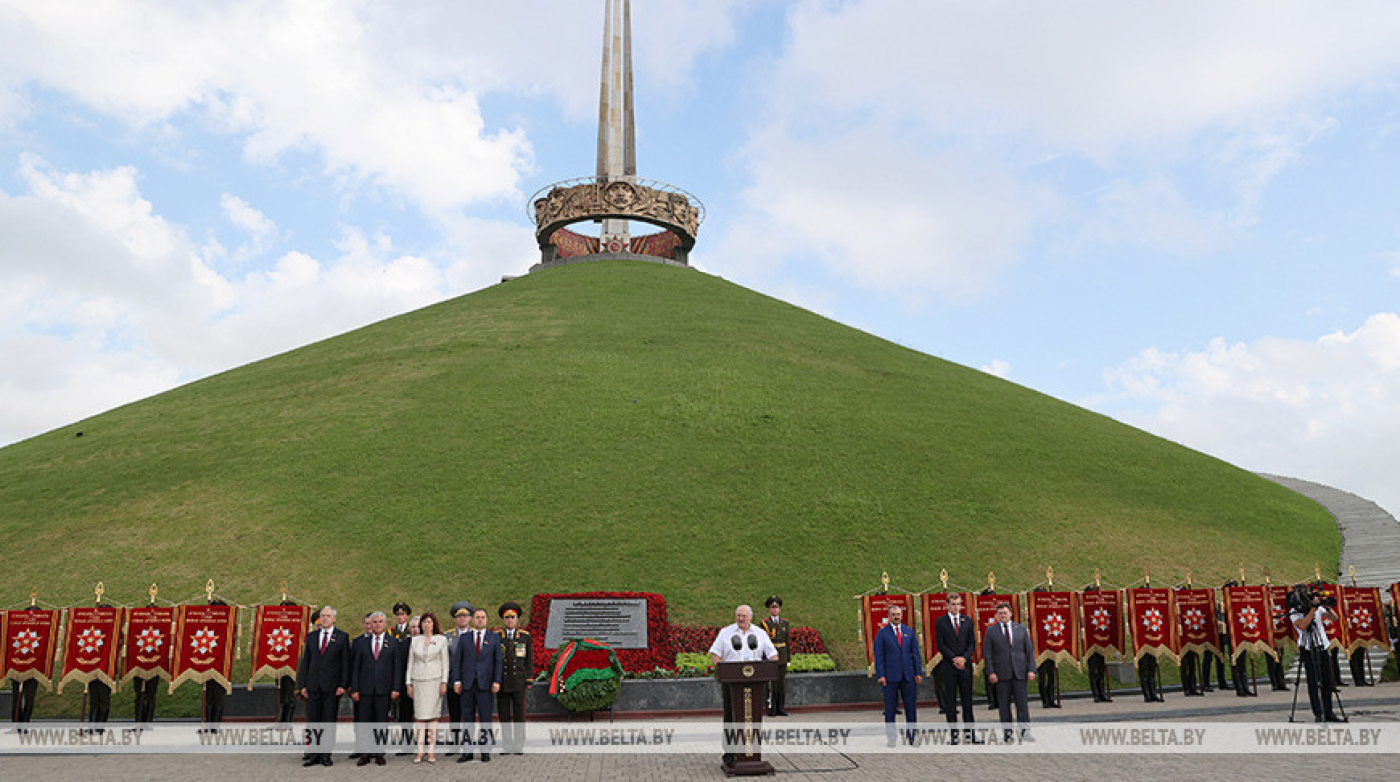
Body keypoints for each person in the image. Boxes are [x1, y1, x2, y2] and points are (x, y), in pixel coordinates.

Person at [708, 604, 778, 770]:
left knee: (752, 717)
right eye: (738, 615)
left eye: (744, 616)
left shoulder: (759, 634)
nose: (740, 619)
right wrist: (721, 668)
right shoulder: (726, 632)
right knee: (731, 717)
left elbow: (773, 654)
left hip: (755, 683)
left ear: (751, 617)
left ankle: (751, 754)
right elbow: (715, 655)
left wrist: (770, 667)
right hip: (732, 683)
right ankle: (730, 755)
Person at [298, 606, 350, 767]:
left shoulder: (342, 637)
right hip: (313, 685)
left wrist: (343, 685)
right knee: (313, 721)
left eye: (328, 616)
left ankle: (326, 754)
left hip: (332, 687)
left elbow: (345, 664)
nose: (325, 618)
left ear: (334, 619)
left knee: (328, 721)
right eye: (323, 616)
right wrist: (303, 684)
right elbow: (306, 662)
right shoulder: (312, 637)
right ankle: (314, 754)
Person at [348, 611, 403, 765]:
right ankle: (365, 753)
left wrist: (396, 688)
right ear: (370, 625)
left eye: (380, 622)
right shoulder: (361, 643)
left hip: (384, 690)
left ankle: (379, 752)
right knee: (364, 722)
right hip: (364, 690)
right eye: (375, 622)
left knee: (381, 721)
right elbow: (356, 668)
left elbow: (397, 668)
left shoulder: (393, 642)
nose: (378, 624)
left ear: (384, 624)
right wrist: (355, 689)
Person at [452, 607, 502, 763]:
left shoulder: (493, 638)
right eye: (477, 617)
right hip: (467, 684)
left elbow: (498, 661)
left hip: (486, 685)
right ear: (473, 620)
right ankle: (467, 752)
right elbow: (457, 661)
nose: (480, 620)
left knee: (486, 718)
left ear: (487, 620)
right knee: (467, 718)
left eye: (483, 617)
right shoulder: (465, 638)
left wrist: (496, 681)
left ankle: (485, 751)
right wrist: (457, 680)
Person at [1289, 585, 1343, 722]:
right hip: (1307, 648)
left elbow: (1335, 618)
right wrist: (1312, 609)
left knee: (1328, 681)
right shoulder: (1295, 611)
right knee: (1313, 682)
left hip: (1322, 646)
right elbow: (1303, 625)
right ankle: (1318, 713)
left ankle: (1329, 712)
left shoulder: (1318, 607)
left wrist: (1326, 605)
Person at [982, 602, 1035, 741]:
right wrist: (991, 672)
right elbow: (987, 654)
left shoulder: (1021, 629)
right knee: (1004, 705)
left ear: (1010, 613)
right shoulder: (991, 631)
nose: (1003, 615)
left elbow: (1029, 651)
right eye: (1000, 613)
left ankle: (1025, 731)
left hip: (1019, 672)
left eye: (1005, 613)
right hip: (1001, 674)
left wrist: (1031, 669)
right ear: (997, 615)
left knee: (1022, 703)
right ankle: (1007, 733)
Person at [873, 605, 922, 747]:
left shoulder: (909, 632)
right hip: (890, 677)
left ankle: (912, 737)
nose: (896, 616)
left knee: (911, 708)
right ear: (889, 616)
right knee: (890, 709)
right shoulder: (882, 633)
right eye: (894, 614)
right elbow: (879, 656)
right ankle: (892, 738)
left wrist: (918, 672)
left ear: (902, 615)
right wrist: (881, 674)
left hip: (908, 676)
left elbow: (916, 654)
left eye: (898, 614)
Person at [934, 594, 977, 743]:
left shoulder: (968, 621)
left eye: (958, 604)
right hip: (949, 666)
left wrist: (964, 658)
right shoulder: (940, 622)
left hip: (965, 666)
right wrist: (954, 659)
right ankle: (953, 735)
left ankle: (970, 734)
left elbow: (972, 643)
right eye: (953, 604)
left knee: (967, 701)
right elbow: (941, 645)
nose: (956, 607)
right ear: (947, 605)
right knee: (950, 701)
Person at [407, 612, 449, 764]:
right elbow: (410, 663)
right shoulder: (415, 641)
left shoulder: (441, 640)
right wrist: (408, 684)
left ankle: (431, 751)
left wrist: (444, 682)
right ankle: (420, 751)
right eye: (424, 622)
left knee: (432, 717)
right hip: (418, 681)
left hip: (434, 681)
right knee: (419, 717)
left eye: (429, 622)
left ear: (434, 624)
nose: (426, 625)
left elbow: (445, 662)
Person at [496, 602, 533, 755]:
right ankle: (506, 745)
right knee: (504, 715)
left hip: (518, 681)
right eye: (507, 618)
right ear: (503, 620)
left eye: (513, 617)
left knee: (519, 715)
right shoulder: (497, 636)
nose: (510, 620)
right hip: (503, 681)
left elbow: (529, 659)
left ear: (517, 619)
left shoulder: (524, 637)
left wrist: (529, 678)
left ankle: (518, 744)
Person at [442, 601, 473, 755]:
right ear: (455, 618)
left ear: (470, 618)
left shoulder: (475, 634)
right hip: (452, 681)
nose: (462, 619)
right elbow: (445, 660)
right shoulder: (447, 636)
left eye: (465, 616)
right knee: (454, 714)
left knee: (468, 715)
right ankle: (454, 745)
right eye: (459, 616)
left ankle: (469, 744)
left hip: (470, 682)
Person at [760, 596, 791, 717]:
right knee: (772, 684)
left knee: (781, 684)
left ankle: (780, 708)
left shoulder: (785, 623)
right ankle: (772, 708)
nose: (775, 610)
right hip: (771, 656)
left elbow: (787, 641)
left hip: (782, 656)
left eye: (777, 607)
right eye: (772, 608)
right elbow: (763, 642)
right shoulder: (765, 624)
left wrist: (788, 658)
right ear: (769, 609)